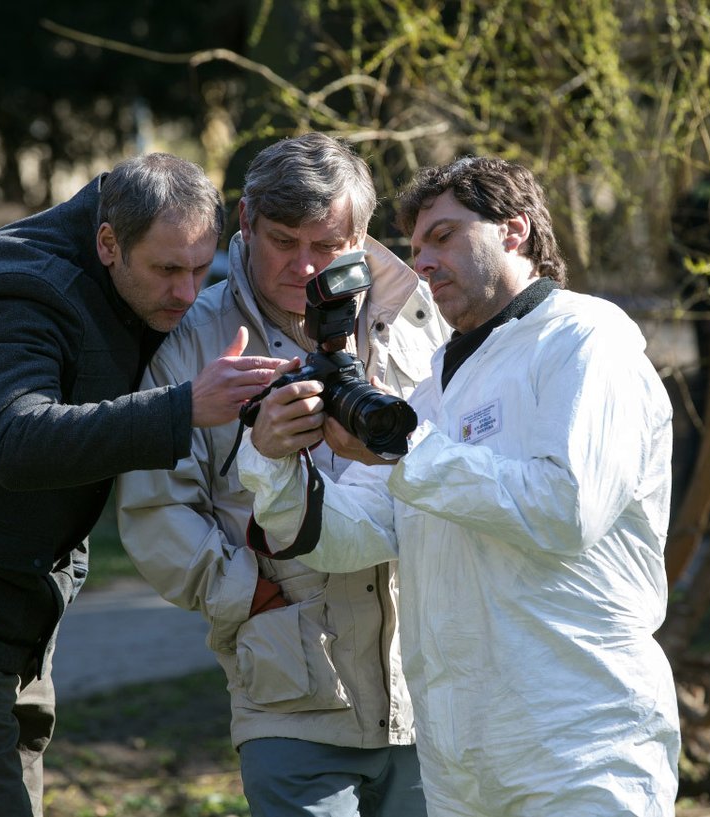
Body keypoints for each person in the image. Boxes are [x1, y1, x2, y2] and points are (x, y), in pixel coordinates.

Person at [0, 153, 287, 817]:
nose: (187, 294)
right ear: (107, 242)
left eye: (199, 268)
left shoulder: (132, 285)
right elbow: (17, 440)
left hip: (19, 603)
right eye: (167, 269)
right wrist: (183, 407)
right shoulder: (14, 287)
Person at [236, 156, 681, 816]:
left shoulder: (585, 340)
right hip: (459, 768)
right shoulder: (436, 387)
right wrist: (272, 458)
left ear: (515, 230)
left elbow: (566, 510)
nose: (423, 262)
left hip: (581, 748)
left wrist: (404, 447)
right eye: (415, 247)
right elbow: (344, 536)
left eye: (443, 236)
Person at [117, 133, 448, 816]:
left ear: (361, 237)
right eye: (282, 240)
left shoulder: (420, 319)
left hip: (432, 692)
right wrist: (248, 595)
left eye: (326, 246)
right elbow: (155, 510)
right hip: (291, 698)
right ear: (244, 222)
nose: (303, 266)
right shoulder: (192, 339)